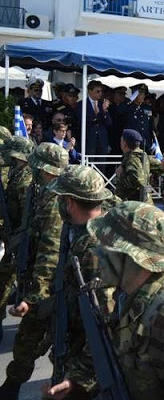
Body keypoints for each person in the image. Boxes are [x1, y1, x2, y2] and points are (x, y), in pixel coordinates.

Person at [46, 201, 164, 399]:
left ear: (134, 257)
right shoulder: (127, 296)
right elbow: (115, 347)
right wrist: (76, 382)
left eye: (106, 247)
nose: (97, 254)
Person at [0, 143, 69, 399]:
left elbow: (50, 252)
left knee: (54, 345)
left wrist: (33, 296)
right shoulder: (43, 192)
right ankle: (12, 386)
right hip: (45, 284)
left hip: (52, 287)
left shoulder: (55, 201)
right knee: (30, 342)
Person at [39, 164, 114, 398]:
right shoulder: (82, 231)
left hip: (86, 365)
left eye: (62, 198)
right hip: (73, 345)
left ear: (70, 201)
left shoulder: (94, 248)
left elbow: (106, 323)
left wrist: (78, 378)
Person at [0, 137, 34, 345]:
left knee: (5, 283)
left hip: (18, 242)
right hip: (12, 238)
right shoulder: (17, 174)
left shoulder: (24, 180)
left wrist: (18, 240)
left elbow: (25, 216)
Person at [114, 129, 152, 204]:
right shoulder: (141, 155)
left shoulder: (132, 159)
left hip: (133, 203)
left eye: (121, 140)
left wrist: (120, 176)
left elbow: (137, 179)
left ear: (125, 144)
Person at [78, 80, 111, 157]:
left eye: (101, 91)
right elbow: (82, 121)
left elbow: (109, 123)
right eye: (97, 91)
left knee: (101, 165)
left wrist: (105, 111)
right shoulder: (82, 104)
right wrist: (94, 114)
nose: (100, 93)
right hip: (89, 140)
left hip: (102, 140)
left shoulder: (102, 104)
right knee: (89, 164)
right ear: (90, 91)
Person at [124, 83, 154, 152]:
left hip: (146, 141)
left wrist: (153, 138)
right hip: (133, 142)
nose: (143, 96)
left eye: (144, 94)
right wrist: (130, 100)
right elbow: (121, 111)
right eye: (140, 94)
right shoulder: (128, 107)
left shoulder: (147, 108)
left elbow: (151, 125)